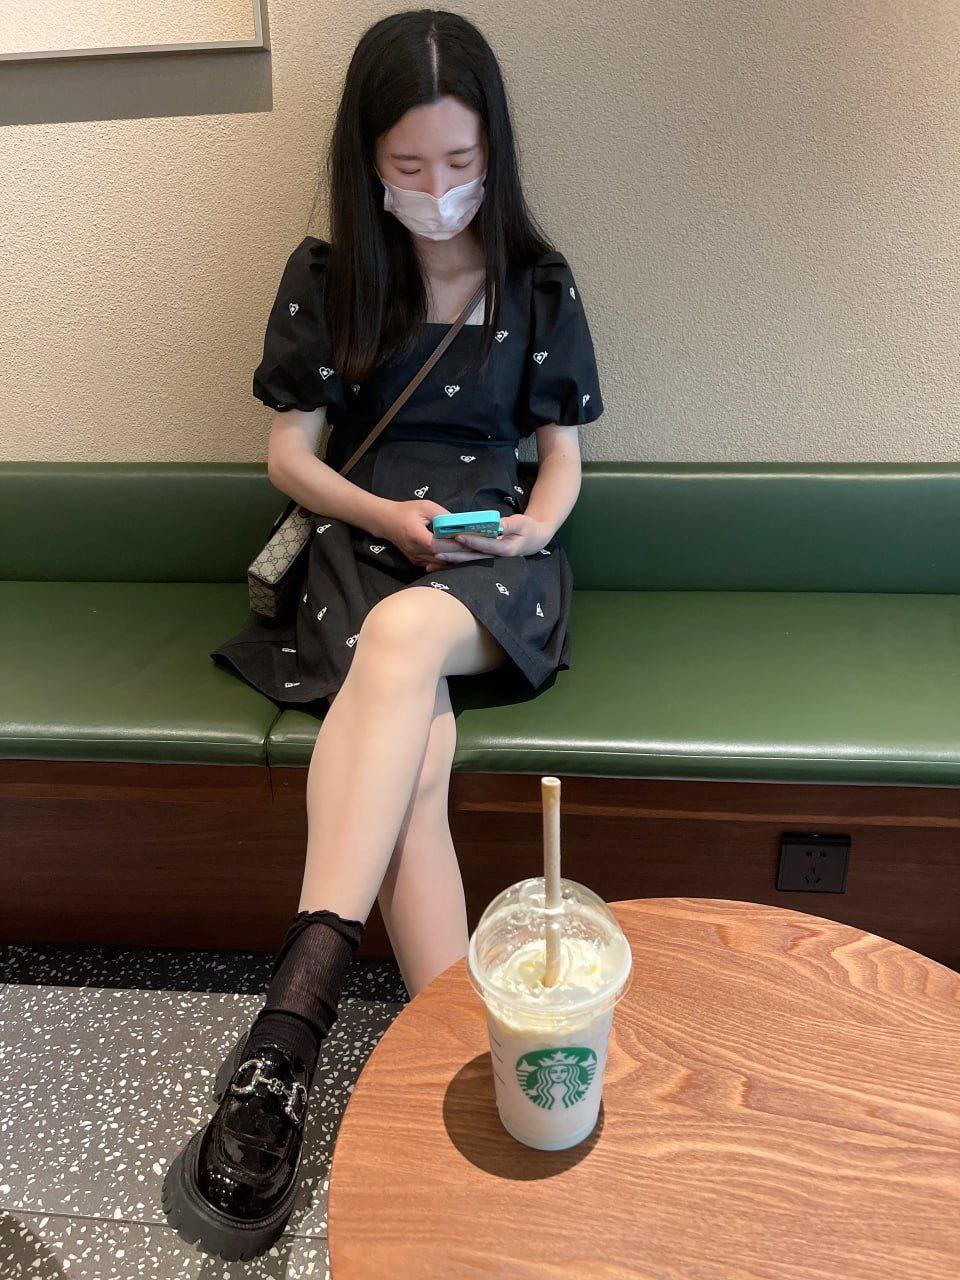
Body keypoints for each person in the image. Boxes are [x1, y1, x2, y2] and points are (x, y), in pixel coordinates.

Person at [162, 7, 604, 1261]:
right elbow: (289, 457)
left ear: (494, 151)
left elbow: (564, 458)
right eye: (409, 165)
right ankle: (462, 1061)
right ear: (368, 161)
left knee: (407, 642)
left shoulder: (538, 280)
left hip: (493, 571)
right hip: (360, 547)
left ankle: (289, 1024)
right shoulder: (327, 274)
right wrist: (386, 516)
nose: (438, 188)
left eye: (460, 161)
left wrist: (524, 531)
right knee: (412, 776)